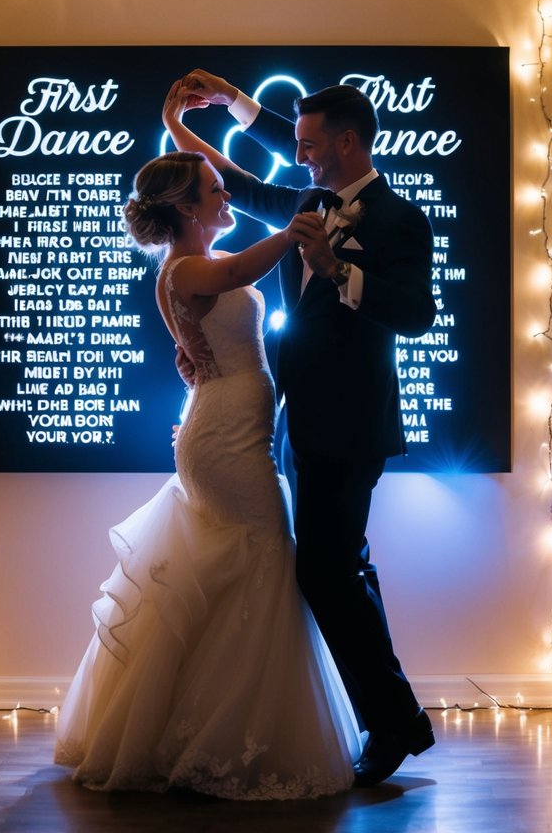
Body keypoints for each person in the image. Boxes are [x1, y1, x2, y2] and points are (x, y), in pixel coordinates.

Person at [55, 148, 362, 800]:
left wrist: (176, 127)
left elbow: (218, 310)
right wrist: (301, 220)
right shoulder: (193, 266)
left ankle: (201, 727)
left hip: (230, 426)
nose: (227, 199)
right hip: (223, 437)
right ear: (187, 208)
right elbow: (248, 267)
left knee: (239, 570)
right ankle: (232, 736)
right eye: (217, 191)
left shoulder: (186, 267)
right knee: (263, 556)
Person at [164, 70, 437, 786]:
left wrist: (335, 271)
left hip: (352, 424)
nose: (300, 155)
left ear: (346, 143)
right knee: (343, 564)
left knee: (323, 570)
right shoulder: (306, 200)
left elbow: (415, 315)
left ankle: (391, 721)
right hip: (295, 425)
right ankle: (398, 717)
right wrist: (212, 107)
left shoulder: (400, 218)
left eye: (310, 144)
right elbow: (232, 180)